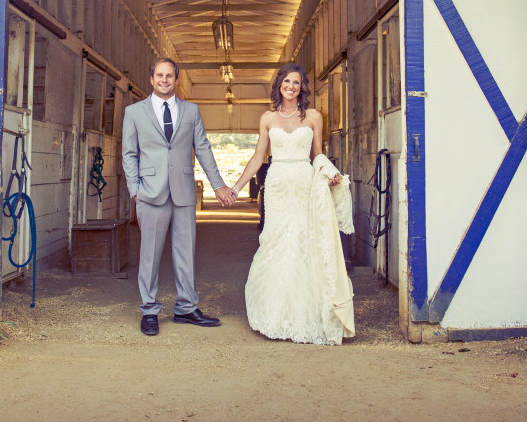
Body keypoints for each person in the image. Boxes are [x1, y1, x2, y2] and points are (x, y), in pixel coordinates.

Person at [229, 62, 355, 345]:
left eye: (296, 82)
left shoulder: (313, 116)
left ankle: (306, 313)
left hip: (303, 182)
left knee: (303, 240)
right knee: (276, 240)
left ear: (302, 87)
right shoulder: (267, 119)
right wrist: (236, 187)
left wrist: (330, 174)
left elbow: (317, 155)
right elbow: (259, 157)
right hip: (276, 185)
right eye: (286, 82)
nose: (291, 86)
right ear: (279, 85)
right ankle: (275, 313)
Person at [122, 57, 237, 337]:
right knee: (149, 254)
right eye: (159, 75)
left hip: (184, 192)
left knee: (186, 253)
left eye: (169, 76)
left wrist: (218, 185)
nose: (164, 80)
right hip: (150, 192)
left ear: (176, 80)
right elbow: (129, 154)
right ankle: (149, 309)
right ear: (151, 79)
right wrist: (135, 190)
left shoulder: (191, 111)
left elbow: (204, 148)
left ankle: (186, 307)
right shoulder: (134, 112)